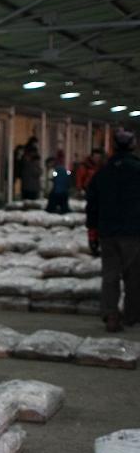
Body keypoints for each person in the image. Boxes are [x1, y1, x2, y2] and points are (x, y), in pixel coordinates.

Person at [86, 128, 140, 331]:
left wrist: (92, 233)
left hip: (107, 232)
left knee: (110, 275)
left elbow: (92, 205)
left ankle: (111, 315)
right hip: (134, 232)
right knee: (133, 276)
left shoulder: (102, 173)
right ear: (133, 145)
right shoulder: (137, 170)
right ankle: (131, 316)